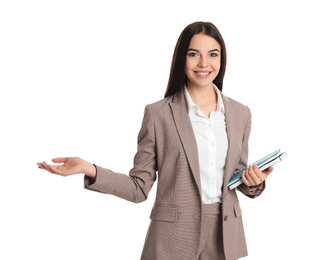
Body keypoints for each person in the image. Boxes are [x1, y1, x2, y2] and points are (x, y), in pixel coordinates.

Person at [37, 21, 273, 260]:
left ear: (221, 60)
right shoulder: (158, 114)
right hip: (173, 237)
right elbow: (139, 188)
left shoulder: (240, 113)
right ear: (182, 58)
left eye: (213, 54)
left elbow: (236, 176)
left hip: (225, 237)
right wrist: (90, 169)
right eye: (194, 54)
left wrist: (254, 183)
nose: (204, 63)